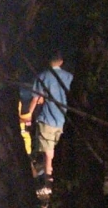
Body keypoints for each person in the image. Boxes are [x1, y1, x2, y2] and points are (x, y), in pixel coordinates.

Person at [21, 50, 74, 194]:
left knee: (48, 154)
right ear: (61, 62)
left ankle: (48, 185)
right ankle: (59, 183)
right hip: (64, 120)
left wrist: (29, 115)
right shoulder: (69, 77)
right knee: (61, 151)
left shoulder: (43, 76)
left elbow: (36, 98)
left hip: (48, 119)